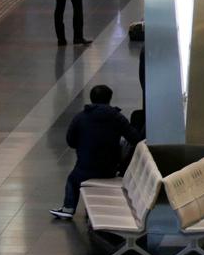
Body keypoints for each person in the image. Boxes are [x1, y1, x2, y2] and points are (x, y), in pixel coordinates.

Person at [49, 85, 141, 219]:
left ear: (91, 99)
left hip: (84, 169)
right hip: (109, 170)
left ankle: (68, 208)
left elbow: (71, 141)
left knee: (72, 180)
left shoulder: (80, 117)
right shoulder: (117, 117)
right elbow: (135, 138)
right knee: (122, 143)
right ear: (109, 99)